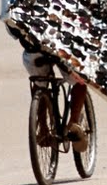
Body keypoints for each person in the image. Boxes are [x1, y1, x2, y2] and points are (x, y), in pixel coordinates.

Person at [6, 22, 90, 152]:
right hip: (62, 47)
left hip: (33, 50)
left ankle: (43, 127)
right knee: (80, 82)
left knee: (40, 84)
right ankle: (74, 123)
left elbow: (13, 32)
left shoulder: (13, 3)